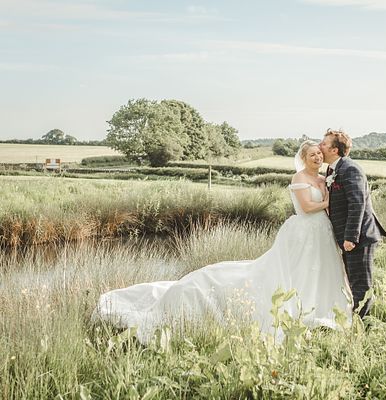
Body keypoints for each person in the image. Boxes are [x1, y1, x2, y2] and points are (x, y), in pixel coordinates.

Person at [93, 141, 352, 343]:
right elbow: (306, 207)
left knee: (314, 272)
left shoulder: (323, 179)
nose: (317, 157)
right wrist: (330, 201)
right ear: (303, 158)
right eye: (312, 155)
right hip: (302, 232)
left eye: (319, 154)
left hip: (321, 232)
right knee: (290, 271)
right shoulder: (299, 178)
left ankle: (317, 310)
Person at [319, 129, 386, 318]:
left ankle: (362, 326)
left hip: (359, 237)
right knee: (352, 282)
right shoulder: (332, 169)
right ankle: (355, 322)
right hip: (348, 238)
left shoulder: (350, 169)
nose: (319, 147)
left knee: (361, 286)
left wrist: (351, 237)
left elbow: (357, 204)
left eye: (323, 144)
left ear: (334, 150)